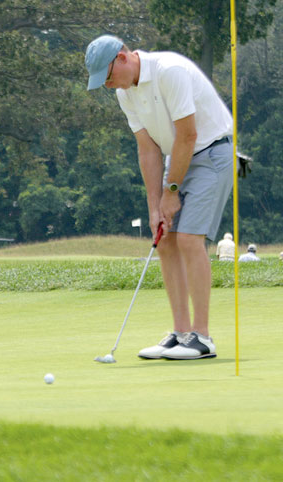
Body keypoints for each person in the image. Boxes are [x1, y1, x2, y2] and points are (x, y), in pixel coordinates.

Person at [85, 34, 234, 360]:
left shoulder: (169, 71)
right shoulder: (126, 93)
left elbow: (188, 134)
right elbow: (148, 149)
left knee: (190, 239)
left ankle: (203, 337)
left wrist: (171, 193)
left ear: (123, 58)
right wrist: (155, 206)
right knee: (165, 238)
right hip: (177, 158)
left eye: (108, 77)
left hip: (212, 154)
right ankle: (181, 333)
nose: (109, 86)